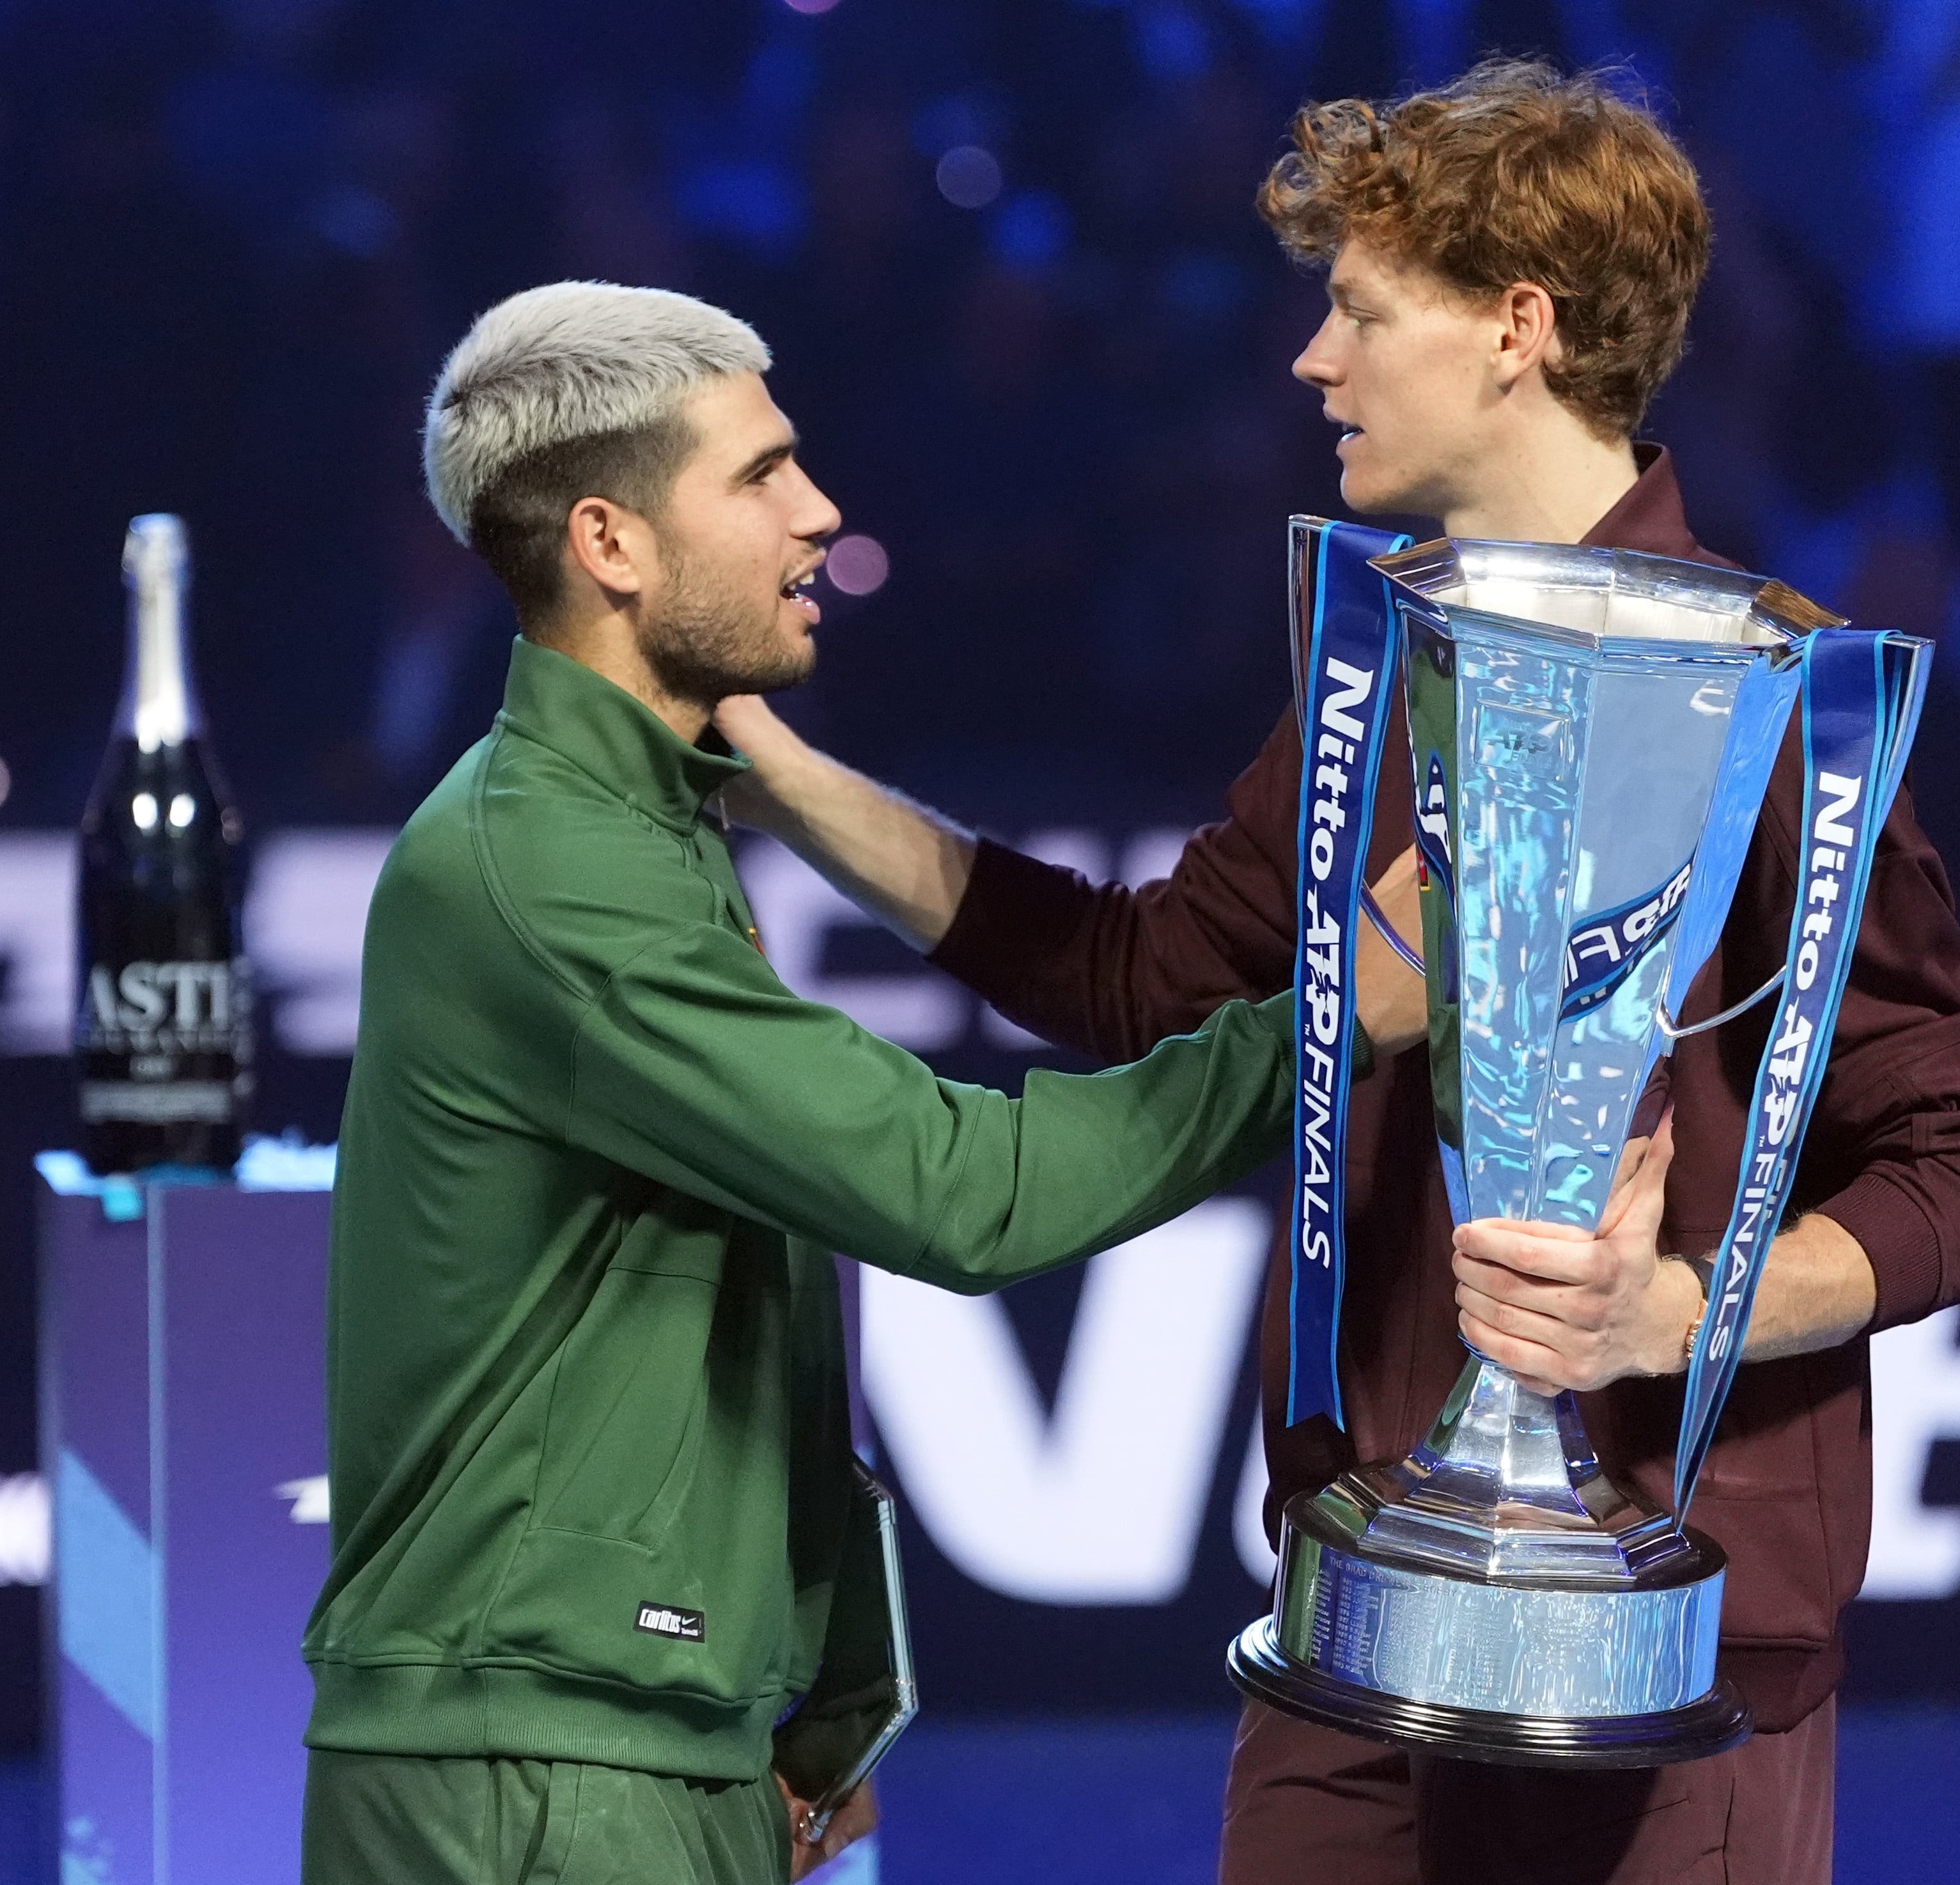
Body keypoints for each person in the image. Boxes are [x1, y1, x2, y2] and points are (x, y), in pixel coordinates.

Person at [719, 61, 1960, 1884]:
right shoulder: (1371, 686)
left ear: (1515, 328)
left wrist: (1670, 1313)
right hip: (1358, 1634)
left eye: (1353, 310)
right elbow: (1136, 974)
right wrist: (771, 775)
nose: (1308, 362)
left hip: (1660, 1651)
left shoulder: (1773, 696)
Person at [296, 280, 1434, 1885]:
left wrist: (806, 1708)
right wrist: (1333, 1027)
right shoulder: (545, 865)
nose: (819, 510)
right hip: (537, 1770)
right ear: (610, 545)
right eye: (758, 474)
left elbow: (724, 1312)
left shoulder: (637, 824)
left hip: (631, 1735)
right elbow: (957, 1192)